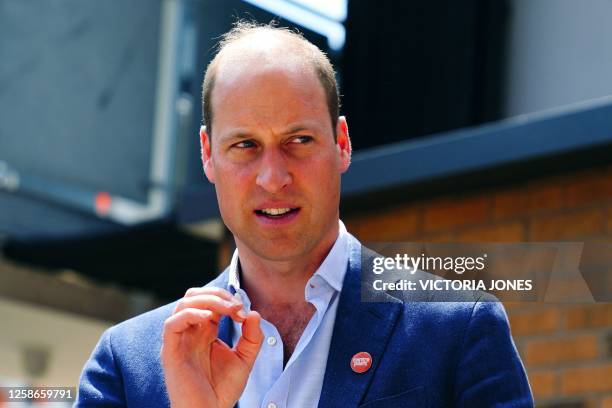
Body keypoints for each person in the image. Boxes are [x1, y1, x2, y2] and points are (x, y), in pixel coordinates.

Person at [76, 21, 534, 407]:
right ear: (208, 154)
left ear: (342, 144)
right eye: (245, 145)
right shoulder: (126, 364)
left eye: (298, 140)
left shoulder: (457, 330)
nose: (273, 177)